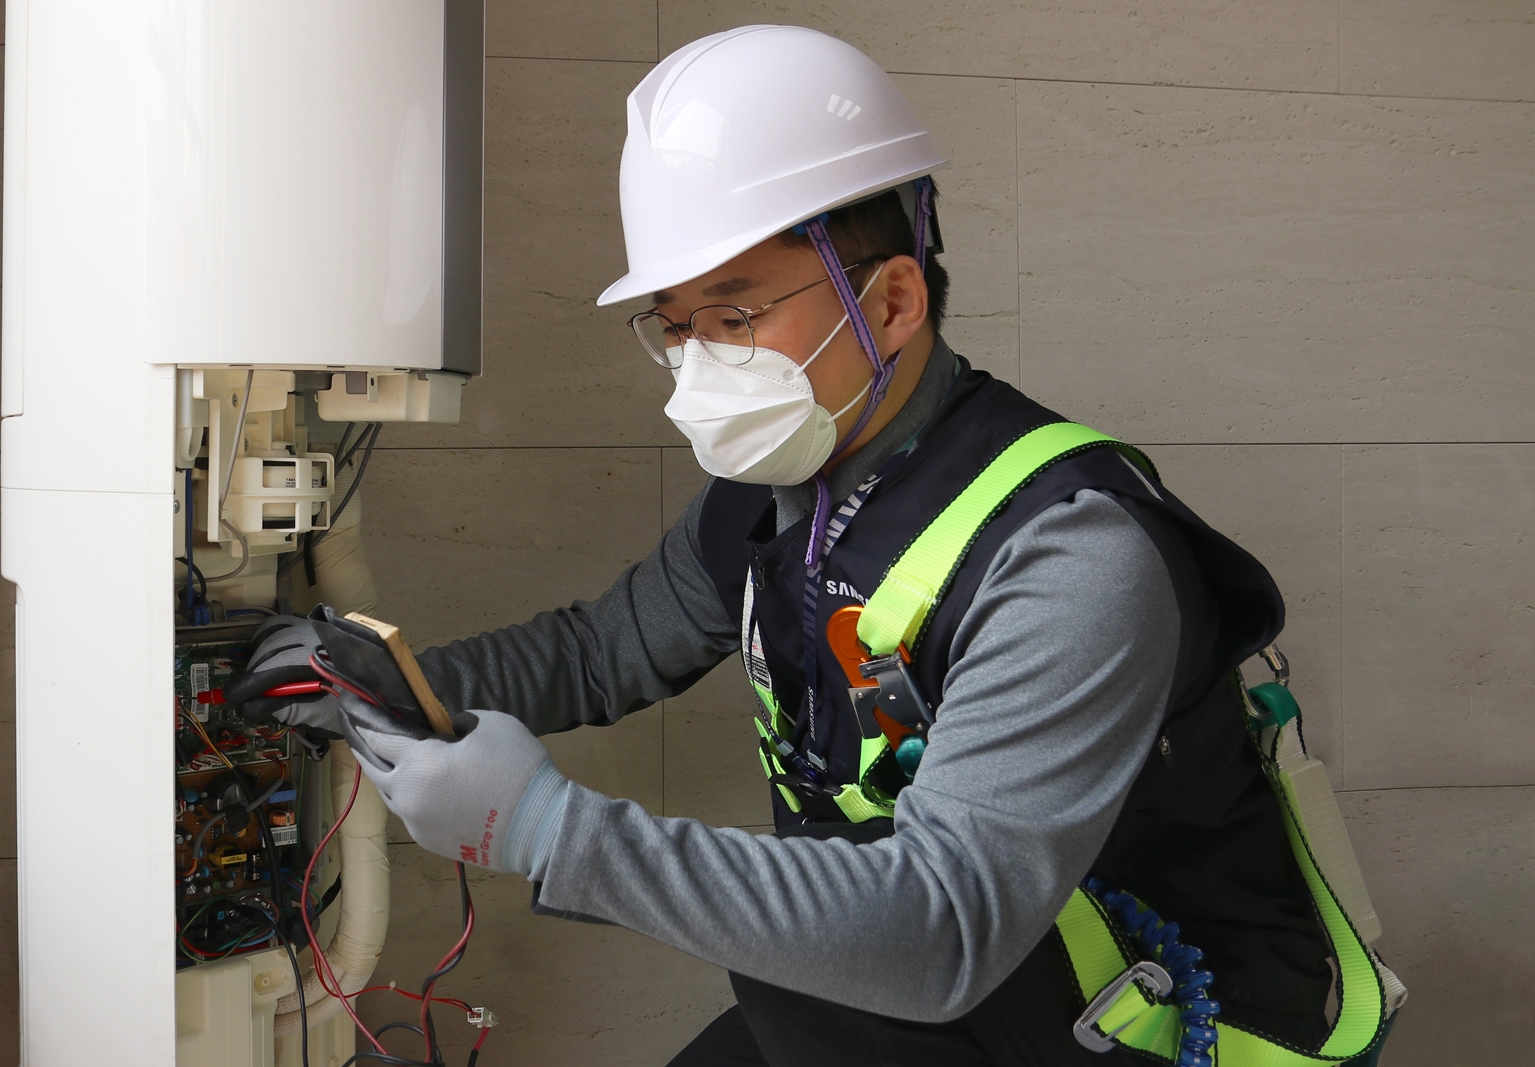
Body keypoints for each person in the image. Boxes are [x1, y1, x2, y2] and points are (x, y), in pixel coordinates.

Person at [230, 25, 1355, 1067]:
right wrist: (381, 684)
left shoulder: (1070, 556)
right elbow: (603, 649)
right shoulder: (777, 486)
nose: (701, 363)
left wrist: (549, 828)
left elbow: (944, 925)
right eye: (676, 326)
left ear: (893, 300)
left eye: (737, 316)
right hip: (898, 990)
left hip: (1140, 1014)